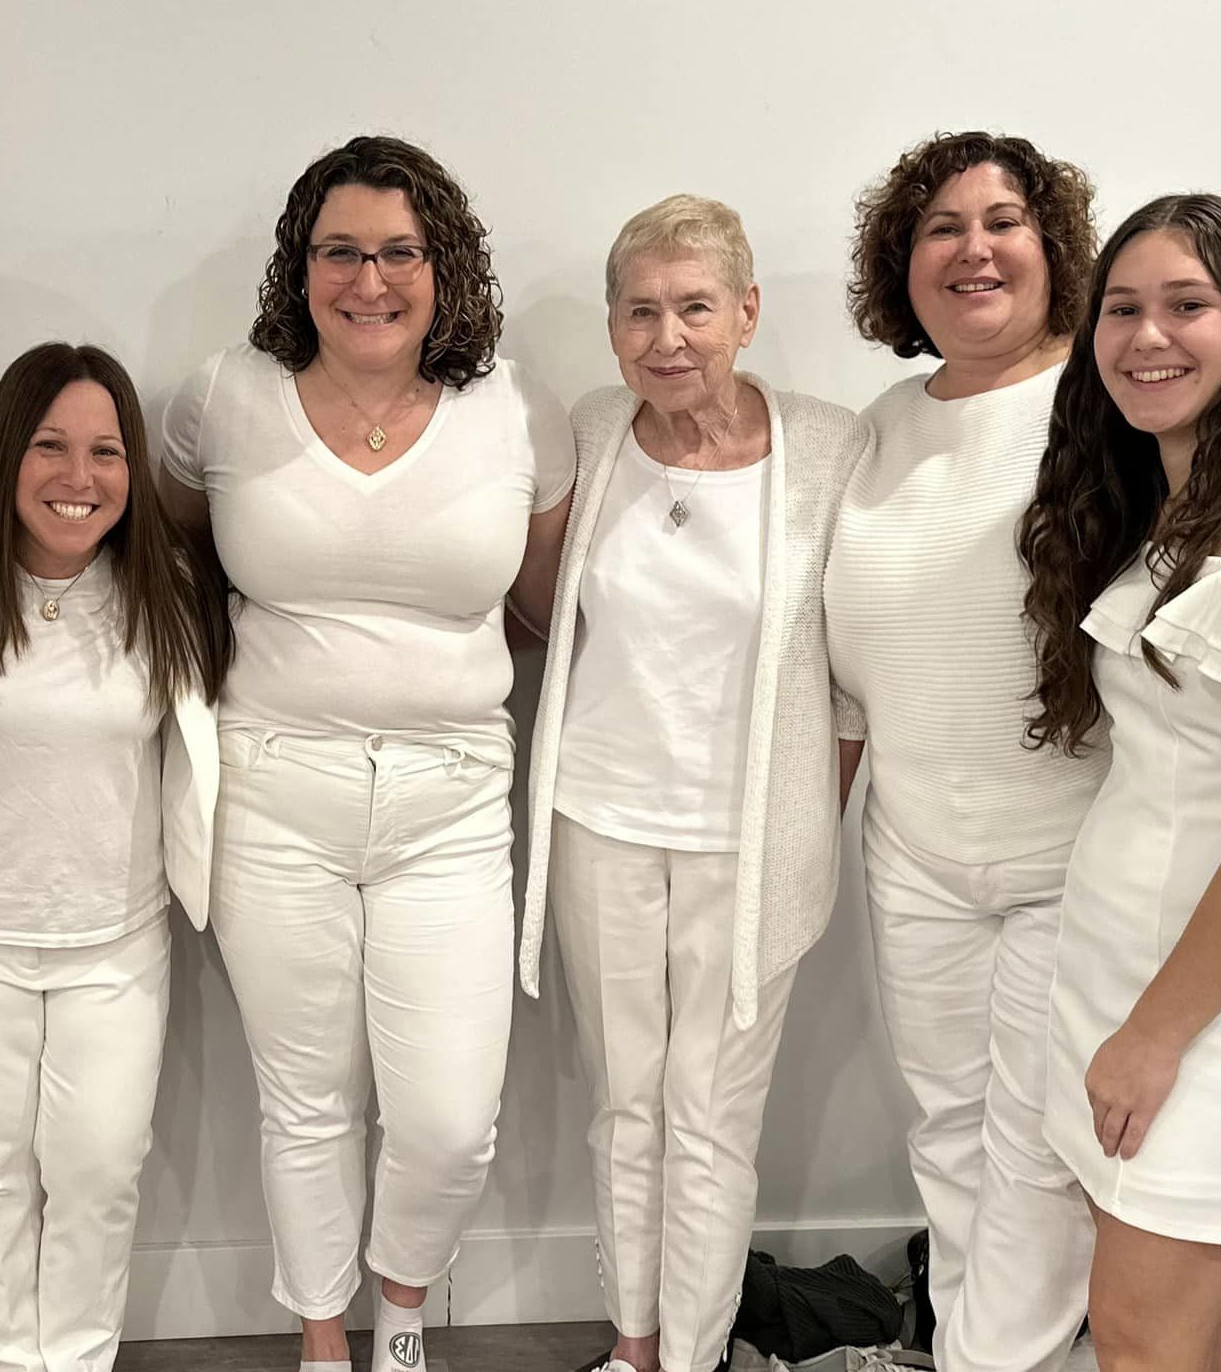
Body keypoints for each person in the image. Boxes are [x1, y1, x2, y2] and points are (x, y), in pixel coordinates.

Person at [160, 134, 573, 1372]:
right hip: (273, 787)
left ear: (443, 266)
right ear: (301, 268)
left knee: (448, 1121)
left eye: (399, 251)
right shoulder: (221, 394)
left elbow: (541, 608)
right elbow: (176, 563)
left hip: (450, 798)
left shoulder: (514, 406)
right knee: (307, 1102)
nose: (369, 279)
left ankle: (402, 1317)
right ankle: (323, 1340)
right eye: (339, 251)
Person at [520, 196, 863, 1372]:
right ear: (613, 329)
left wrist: (806, 821)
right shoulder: (590, 428)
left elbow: (851, 673)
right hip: (597, 820)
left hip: (747, 841)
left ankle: (697, 1353)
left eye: (694, 307)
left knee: (711, 1118)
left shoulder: (826, 447)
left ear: (746, 313)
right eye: (639, 311)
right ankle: (632, 1348)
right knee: (624, 1103)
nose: (666, 337)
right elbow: (539, 606)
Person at [0, 341, 231, 1372]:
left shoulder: (166, 590)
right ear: (3, 455)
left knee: (101, 1170)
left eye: (106, 452)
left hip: (112, 943)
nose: (79, 479)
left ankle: (72, 1361)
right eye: (50, 447)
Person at [1019, 195, 1221, 1372]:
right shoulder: (1176, 505)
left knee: (1141, 1336)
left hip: (1215, 1006)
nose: (1146, 337)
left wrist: (1154, 1036)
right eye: (1122, 310)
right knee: (1178, 1331)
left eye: (1185, 305)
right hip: (1122, 964)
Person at [824, 131, 1101, 1372]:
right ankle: (978, 1351)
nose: (971, 248)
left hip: (1074, 853)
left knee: (1037, 1149)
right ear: (903, 262)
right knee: (945, 1131)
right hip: (917, 852)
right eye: (939, 226)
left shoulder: (1103, 398)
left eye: (1001, 221)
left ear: (1051, 248)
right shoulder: (879, 428)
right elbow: (841, 676)